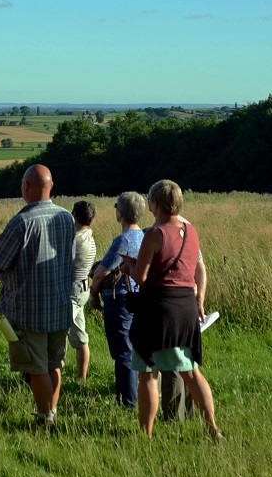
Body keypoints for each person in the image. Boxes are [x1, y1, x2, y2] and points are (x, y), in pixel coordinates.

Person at [128, 179, 222, 439]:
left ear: (155, 204)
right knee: (191, 371)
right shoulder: (192, 232)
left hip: (157, 309)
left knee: (148, 373)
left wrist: (129, 268)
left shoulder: (154, 234)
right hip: (186, 308)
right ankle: (212, 427)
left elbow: (141, 278)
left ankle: (146, 433)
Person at [0, 164, 76, 429]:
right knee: (54, 363)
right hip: (60, 303)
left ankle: (44, 418)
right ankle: (53, 412)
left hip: (29, 307)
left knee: (36, 366)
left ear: (27, 187)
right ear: (51, 186)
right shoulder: (66, 218)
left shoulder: (22, 221)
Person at [90, 191, 146, 409]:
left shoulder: (123, 240)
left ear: (120, 213)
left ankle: (128, 402)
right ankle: (139, 395)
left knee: (123, 351)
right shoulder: (144, 236)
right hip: (140, 297)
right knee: (137, 348)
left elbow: (102, 272)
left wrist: (94, 293)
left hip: (120, 300)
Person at [68, 200, 97, 382]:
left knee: (59, 335)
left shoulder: (76, 239)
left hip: (72, 290)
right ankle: (81, 378)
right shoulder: (89, 236)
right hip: (82, 289)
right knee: (80, 336)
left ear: (74, 215)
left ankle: (56, 375)